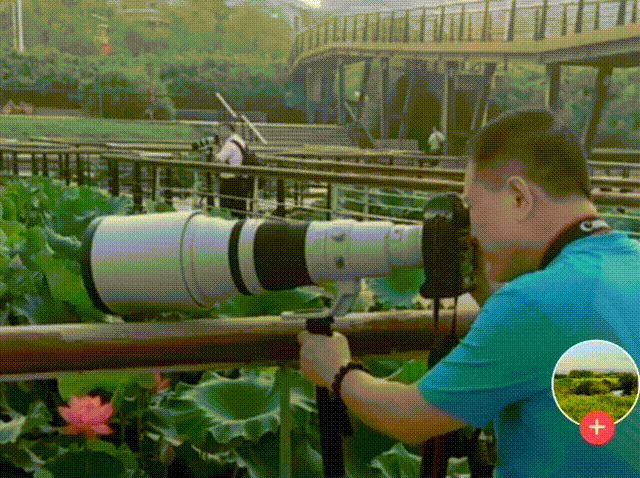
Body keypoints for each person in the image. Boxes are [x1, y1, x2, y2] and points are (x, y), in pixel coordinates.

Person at [298, 109, 640, 477]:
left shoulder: (532, 303)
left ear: (519, 198)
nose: (470, 229)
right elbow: (560, 348)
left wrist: (338, 371)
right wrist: (482, 289)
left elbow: (411, 417)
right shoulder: (626, 264)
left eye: (472, 207)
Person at [214, 122, 250, 218]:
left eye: (221, 131)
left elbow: (217, 161)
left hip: (230, 182)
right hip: (241, 180)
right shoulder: (238, 140)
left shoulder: (230, 144)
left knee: (227, 213)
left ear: (228, 130)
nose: (219, 134)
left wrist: (215, 151)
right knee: (240, 212)